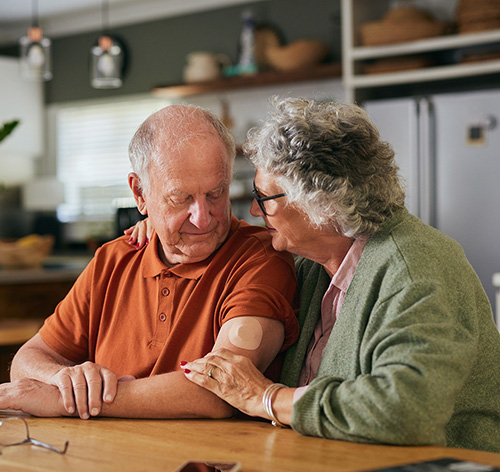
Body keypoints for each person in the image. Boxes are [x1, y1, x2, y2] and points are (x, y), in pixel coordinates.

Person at [176, 97, 500, 453]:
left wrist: (269, 398)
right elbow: (232, 256)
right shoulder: (314, 264)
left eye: (264, 196)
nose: (255, 210)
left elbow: (405, 411)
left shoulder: (416, 267)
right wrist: (156, 230)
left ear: (321, 203)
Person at [0, 104, 299, 420]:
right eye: (180, 198)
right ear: (139, 193)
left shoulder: (260, 258)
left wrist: (74, 401)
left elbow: (225, 390)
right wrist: (62, 380)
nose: (203, 218)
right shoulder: (112, 259)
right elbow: (29, 359)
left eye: (216, 193)